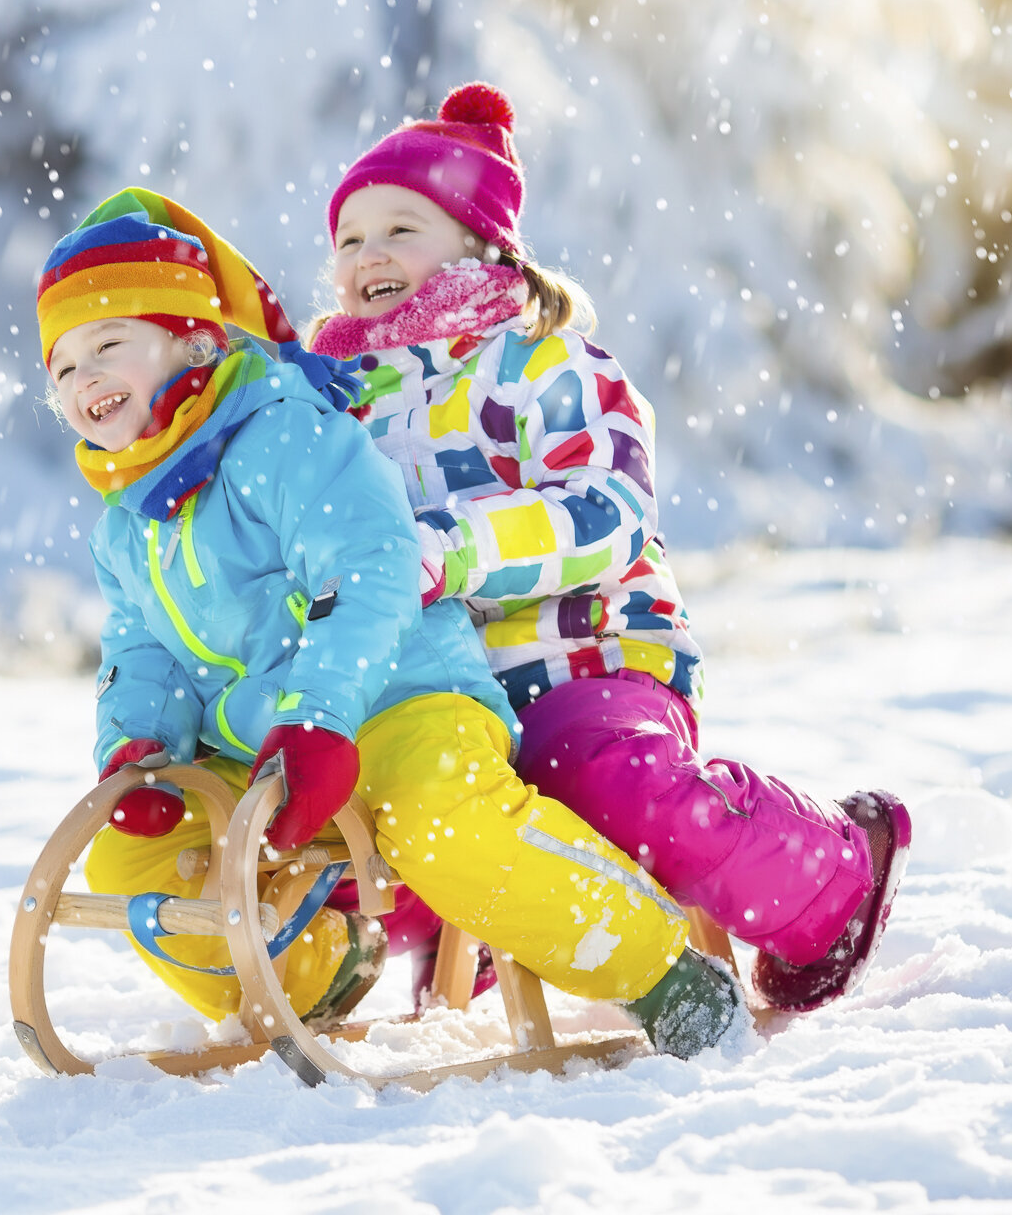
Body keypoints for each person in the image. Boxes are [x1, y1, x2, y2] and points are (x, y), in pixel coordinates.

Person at [40, 187, 739, 1055]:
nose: (85, 380)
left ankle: (661, 972)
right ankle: (317, 972)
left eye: (110, 344)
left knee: (445, 824)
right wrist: (139, 741)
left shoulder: (284, 434)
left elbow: (368, 574)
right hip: (266, 733)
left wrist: (322, 717)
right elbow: (139, 647)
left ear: (193, 340)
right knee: (129, 859)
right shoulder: (127, 520)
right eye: (63, 369)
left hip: (404, 694)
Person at [307, 84, 912, 1013]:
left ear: (478, 242)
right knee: (369, 816)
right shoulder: (344, 404)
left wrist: (452, 553)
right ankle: (451, 931)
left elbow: (607, 511)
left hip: (586, 662)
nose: (367, 256)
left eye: (399, 229)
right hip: (440, 696)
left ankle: (830, 879)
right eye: (349, 240)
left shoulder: (544, 363)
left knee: (597, 777)